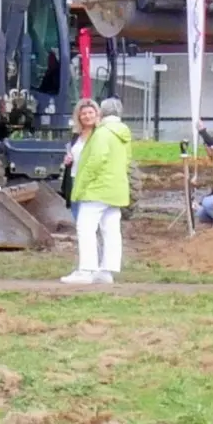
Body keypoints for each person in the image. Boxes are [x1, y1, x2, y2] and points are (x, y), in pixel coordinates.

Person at [63, 97, 132, 284]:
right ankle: (107, 270)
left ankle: (86, 270)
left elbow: (95, 162)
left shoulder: (101, 134)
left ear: (101, 112)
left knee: (85, 227)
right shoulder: (122, 133)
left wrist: (80, 186)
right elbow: (127, 160)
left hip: (97, 189)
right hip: (116, 189)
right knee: (111, 229)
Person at [61, 100, 101, 219]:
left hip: (92, 181)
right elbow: (72, 153)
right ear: (79, 117)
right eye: (84, 114)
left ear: (96, 114)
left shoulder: (100, 135)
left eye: (90, 112)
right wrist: (68, 159)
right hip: (74, 179)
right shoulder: (75, 136)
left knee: (90, 218)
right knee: (76, 215)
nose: (87, 116)